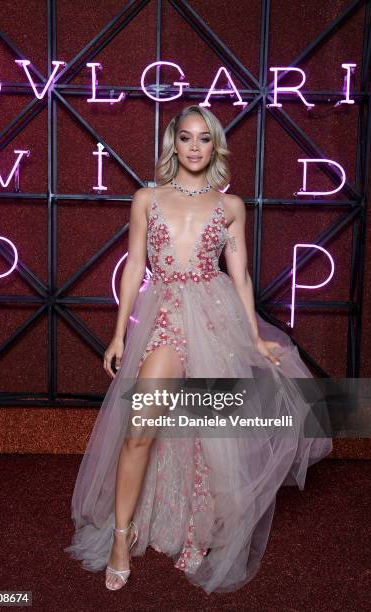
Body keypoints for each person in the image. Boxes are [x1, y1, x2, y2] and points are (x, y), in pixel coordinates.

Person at [64, 104, 333, 594]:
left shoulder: (229, 206)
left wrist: (253, 336)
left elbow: (241, 274)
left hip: (216, 318)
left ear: (215, 145)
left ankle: (202, 521)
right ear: (174, 144)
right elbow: (134, 267)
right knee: (141, 429)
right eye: (185, 138)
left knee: (215, 435)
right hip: (165, 316)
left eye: (203, 138)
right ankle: (120, 539)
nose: (194, 147)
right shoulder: (147, 198)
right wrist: (121, 332)